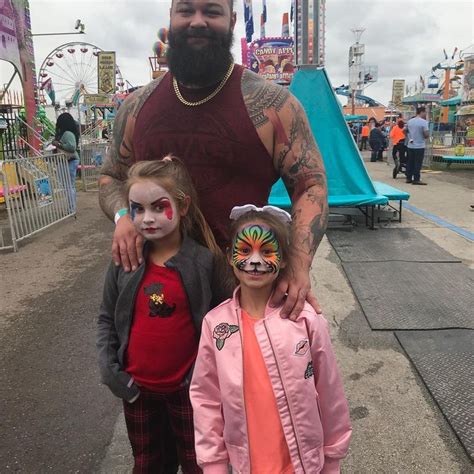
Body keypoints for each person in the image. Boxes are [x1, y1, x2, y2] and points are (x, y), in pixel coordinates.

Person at [98, 0, 328, 321]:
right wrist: (124, 215)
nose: (197, 21)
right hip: (155, 300)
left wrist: (299, 263)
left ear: (232, 20)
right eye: (186, 10)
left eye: (212, 11)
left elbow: (310, 185)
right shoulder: (137, 106)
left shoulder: (273, 105)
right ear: (171, 17)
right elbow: (111, 177)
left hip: (242, 297)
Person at [190, 205, 352, 474]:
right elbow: (206, 399)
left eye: (267, 252)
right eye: (245, 251)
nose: (255, 261)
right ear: (230, 257)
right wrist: (214, 465)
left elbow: (330, 391)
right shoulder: (215, 325)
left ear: (285, 259)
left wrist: (332, 458)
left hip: (301, 466)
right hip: (247, 466)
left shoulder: (306, 321)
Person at [97, 156, 230, 473]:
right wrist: (112, 372)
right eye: (137, 209)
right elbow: (106, 317)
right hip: (137, 393)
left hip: (189, 394)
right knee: (149, 465)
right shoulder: (124, 261)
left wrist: (203, 379)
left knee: (199, 463)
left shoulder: (203, 262)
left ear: (182, 206)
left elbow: (220, 325)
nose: (147, 218)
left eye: (159, 206)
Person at [53, 112, 80, 212]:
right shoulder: (66, 133)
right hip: (67, 161)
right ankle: (71, 207)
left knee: (69, 185)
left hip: (70, 160)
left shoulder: (67, 133)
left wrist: (58, 144)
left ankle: (71, 208)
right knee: (68, 185)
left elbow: (72, 147)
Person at [406, 106, 429, 185]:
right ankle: (416, 179)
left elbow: (404, 131)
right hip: (419, 145)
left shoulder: (410, 121)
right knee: (418, 163)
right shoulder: (424, 122)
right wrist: (426, 135)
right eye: (425, 112)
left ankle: (408, 178)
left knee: (410, 162)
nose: (426, 114)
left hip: (410, 145)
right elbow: (426, 134)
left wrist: (409, 137)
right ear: (422, 112)